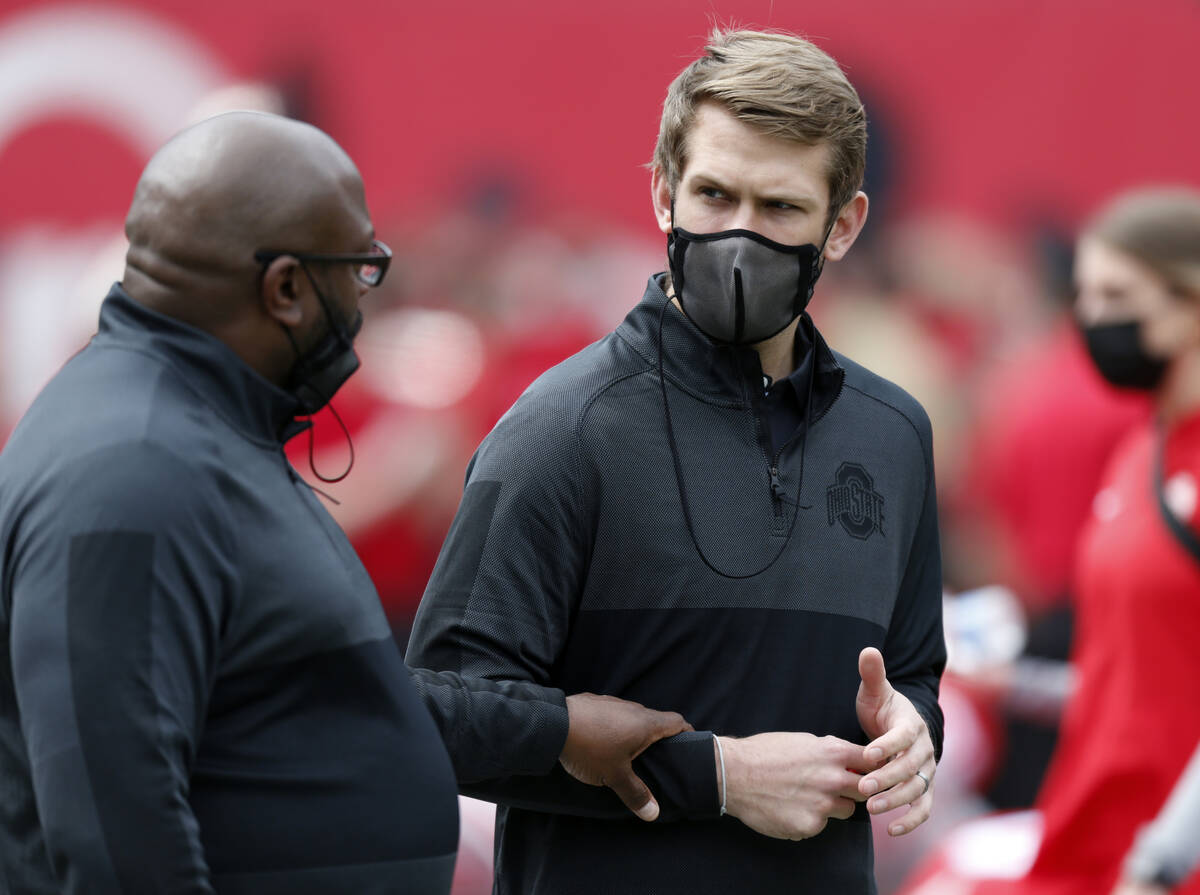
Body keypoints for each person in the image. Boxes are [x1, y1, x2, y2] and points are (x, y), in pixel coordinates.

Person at [0, 111, 691, 895]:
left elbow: (323, 703)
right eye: (358, 272)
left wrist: (556, 730)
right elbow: (115, 841)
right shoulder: (128, 469)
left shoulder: (192, 423)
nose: (364, 308)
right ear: (287, 287)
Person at [408, 29, 946, 894]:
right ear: (663, 194)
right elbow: (439, 712)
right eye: (713, 194)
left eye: (779, 208)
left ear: (842, 226)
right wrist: (718, 776)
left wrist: (914, 731)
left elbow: (915, 670)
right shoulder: (563, 427)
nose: (739, 235)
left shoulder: (893, 432)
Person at [971, 188, 1200, 895]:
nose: (1094, 318)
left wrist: (1161, 862)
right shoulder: (1138, 448)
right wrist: (1013, 682)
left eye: (1118, 294)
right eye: (1085, 293)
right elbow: (1131, 685)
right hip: (1087, 843)